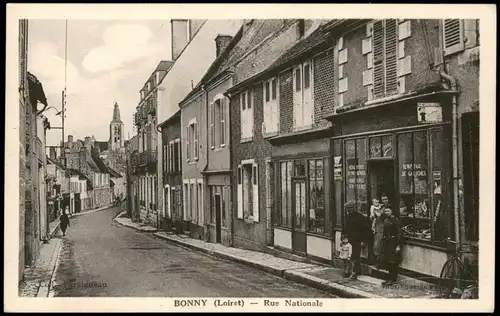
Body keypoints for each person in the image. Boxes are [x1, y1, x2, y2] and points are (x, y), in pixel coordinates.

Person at [344, 201, 371, 280]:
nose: (349, 210)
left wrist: (364, 241)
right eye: (348, 209)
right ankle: (355, 271)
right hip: (350, 239)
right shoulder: (348, 217)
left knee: (355, 256)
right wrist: (344, 239)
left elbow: (366, 229)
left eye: (351, 208)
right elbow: (346, 229)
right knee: (350, 255)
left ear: (354, 208)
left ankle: (354, 273)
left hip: (357, 239)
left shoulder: (360, 217)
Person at [382, 207, 403, 286]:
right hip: (387, 242)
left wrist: (398, 245)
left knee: (393, 261)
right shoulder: (385, 220)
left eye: (388, 211)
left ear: (392, 211)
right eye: (385, 211)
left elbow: (399, 233)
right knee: (389, 261)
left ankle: (393, 279)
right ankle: (390, 278)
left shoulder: (396, 220)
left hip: (394, 242)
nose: (386, 212)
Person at [371, 198, 386, 269]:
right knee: (377, 247)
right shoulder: (374, 210)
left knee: (381, 247)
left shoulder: (382, 211)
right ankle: (378, 263)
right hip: (378, 231)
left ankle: (381, 264)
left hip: (382, 232)